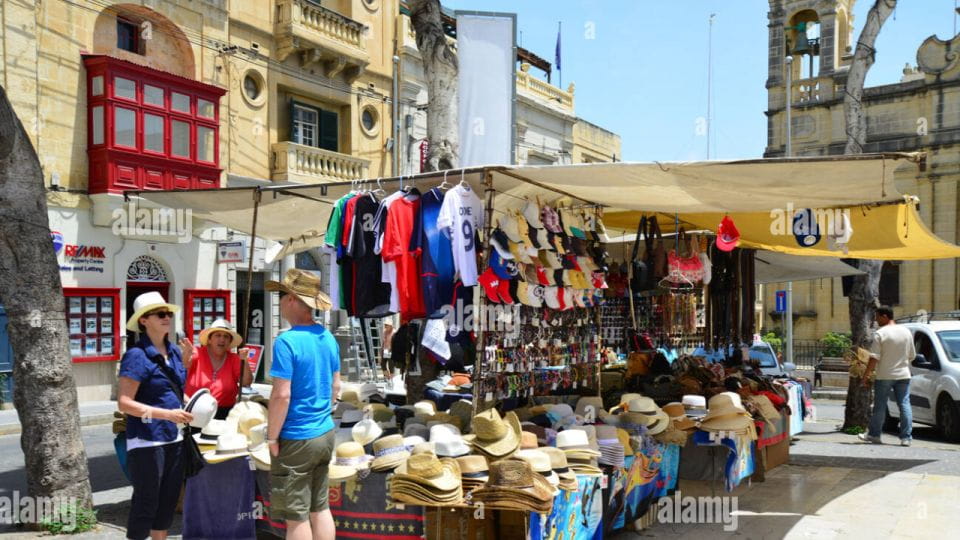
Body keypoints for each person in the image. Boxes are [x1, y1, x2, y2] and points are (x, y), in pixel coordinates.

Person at [265, 269, 341, 540]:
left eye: (282, 295)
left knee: (295, 516)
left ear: (293, 300)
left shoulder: (286, 341)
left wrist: (272, 436)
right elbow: (336, 387)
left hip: (297, 437)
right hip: (324, 432)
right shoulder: (326, 336)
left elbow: (281, 396)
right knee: (320, 508)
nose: (281, 301)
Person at [117, 292, 193, 540]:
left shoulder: (173, 352)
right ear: (143, 320)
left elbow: (173, 391)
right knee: (146, 500)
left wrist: (187, 365)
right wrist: (166, 414)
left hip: (174, 437)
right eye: (160, 314)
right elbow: (125, 403)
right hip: (147, 440)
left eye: (168, 313)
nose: (166, 318)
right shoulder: (137, 355)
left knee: (168, 499)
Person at [859, 305, 916, 446]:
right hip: (904, 374)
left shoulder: (880, 333)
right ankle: (906, 438)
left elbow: (874, 358)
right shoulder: (906, 332)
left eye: (877, 317)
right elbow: (912, 355)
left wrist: (865, 376)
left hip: (885, 375)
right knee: (904, 404)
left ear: (885, 316)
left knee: (880, 406)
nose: (876, 320)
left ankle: (874, 435)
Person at [183, 319, 252, 419]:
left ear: (230, 342)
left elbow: (246, 382)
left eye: (226, 336)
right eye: (218, 335)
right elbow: (183, 366)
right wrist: (186, 355)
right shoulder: (197, 353)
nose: (222, 340)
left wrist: (244, 360)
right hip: (194, 412)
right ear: (209, 340)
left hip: (224, 414)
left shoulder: (234, 359)